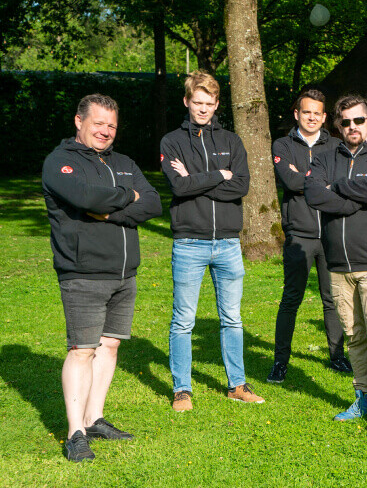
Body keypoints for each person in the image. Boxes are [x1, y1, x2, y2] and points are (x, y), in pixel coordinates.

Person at [44, 94, 161, 461]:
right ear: (79, 122)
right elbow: (86, 198)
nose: (106, 131)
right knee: (82, 350)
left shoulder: (124, 162)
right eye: (98, 123)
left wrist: (112, 212)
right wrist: (129, 196)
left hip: (125, 272)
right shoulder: (60, 162)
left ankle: (94, 419)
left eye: (111, 125)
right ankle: (75, 433)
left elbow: (154, 203)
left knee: (109, 346)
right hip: (83, 272)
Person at [161, 71, 261, 412]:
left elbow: (242, 185)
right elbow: (178, 187)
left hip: (228, 243)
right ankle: (182, 390)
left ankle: (237, 385)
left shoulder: (232, 141)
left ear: (217, 104)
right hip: (189, 242)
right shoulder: (172, 142)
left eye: (209, 103)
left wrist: (195, 180)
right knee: (183, 321)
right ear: (187, 101)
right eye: (197, 102)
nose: (203, 109)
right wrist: (219, 175)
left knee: (232, 318)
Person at [305, 94, 367, 431]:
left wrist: (337, 187)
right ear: (338, 125)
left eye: (358, 120)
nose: (352, 127)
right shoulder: (324, 158)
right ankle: (364, 397)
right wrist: (354, 197)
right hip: (339, 265)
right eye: (345, 122)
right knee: (355, 336)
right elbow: (312, 193)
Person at [267, 88, 350, 384]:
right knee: (291, 299)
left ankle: (338, 356)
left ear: (324, 117)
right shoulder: (282, 144)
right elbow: (290, 181)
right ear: (297, 114)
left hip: (331, 233)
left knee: (333, 299)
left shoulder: (337, 145)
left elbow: (342, 182)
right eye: (306, 112)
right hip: (299, 234)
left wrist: (308, 178)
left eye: (317, 113)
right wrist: (321, 182)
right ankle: (280, 362)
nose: (312, 117)